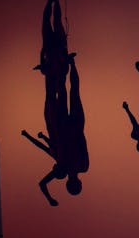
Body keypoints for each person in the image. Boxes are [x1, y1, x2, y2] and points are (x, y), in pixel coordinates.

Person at [22, 53, 89, 205]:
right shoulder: (67, 167)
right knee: (67, 93)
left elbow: (81, 144)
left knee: (72, 92)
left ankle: (69, 63)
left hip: (73, 126)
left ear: (78, 183)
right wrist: (50, 199)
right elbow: (42, 183)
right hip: (68, 126)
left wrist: (50, 199)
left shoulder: (79, 167)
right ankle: (64, 65)